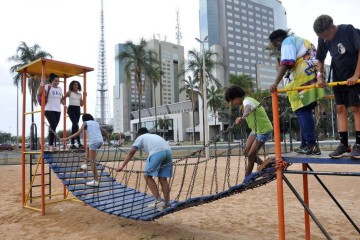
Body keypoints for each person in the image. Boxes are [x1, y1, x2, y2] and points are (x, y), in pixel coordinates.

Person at [268, 29, 325, 155]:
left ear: (278, 41)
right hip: (313, 75)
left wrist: (275, 83)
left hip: (302, 77)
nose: (277, 48)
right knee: (305, 110)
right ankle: (305, 144)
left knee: (302, 110)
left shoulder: (287, 42)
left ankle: (312, 145)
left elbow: (287, 63)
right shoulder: (300, 40)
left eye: (275, 45)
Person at [313, 15, 360, 159]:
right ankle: (344, 144)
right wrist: (319, 76)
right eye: (322, 37)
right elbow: (320, 59)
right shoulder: (322, 38)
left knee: (356, 107)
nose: (325, 40)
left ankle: (359, 144)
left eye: (326, 36)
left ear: (332, 28)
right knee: (340, 108)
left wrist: (356, 75)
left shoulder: (348, 30)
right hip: (338, 77)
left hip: (355, 75)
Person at [115, 127, 173, 211]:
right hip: (169, 152)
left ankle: (159, 200)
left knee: (147, 176)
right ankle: (167, 203)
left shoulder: (140, 137)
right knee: (163, 178)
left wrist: (122, 166)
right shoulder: (154, 136)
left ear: (139, 134)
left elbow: (131, 152)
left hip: (157, 152)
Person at [224, 85, 273, 181]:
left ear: (237, 97)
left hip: (264, 130)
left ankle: (247, 179)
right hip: (256, 130)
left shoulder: (247, 101)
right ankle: (266, 166)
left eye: (232, 101)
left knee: (251, 155)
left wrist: (242, 117)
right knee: (246, 152)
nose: (233, 103)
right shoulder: (246, 101)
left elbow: (248, 108)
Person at [61, 113, 110, 187]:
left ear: (84, 119)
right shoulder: (96, 123)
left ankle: (96, 181)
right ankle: (85, 164)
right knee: (87, 147)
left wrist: (66, 139)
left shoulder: (85, 123)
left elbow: (78, 133)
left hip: (93, 142)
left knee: (92, 162)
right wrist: (109, 142)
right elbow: (105, 132)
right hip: (100, 142)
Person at [38, 73, 65, 152]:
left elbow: (61, 99)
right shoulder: (47, 86)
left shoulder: (59, 89)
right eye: (55, 81)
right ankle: (50, 145)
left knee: (54, 126)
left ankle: (51, 144)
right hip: (48, 109)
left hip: (58, 110)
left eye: (58, 81)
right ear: (51, 80)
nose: (57, 82)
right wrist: (42, 83)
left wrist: (64, 104)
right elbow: (39, 93)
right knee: (52, 125)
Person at [62, 80, 84, 149]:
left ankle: (72, 143)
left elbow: (82, 105)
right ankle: (79, 142)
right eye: (74, 85)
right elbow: (62, 99)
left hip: (78, 109)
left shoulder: (80, 94)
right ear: (72, 86)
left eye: (77, 85)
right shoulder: (69, 92)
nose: (76, 86)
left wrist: (84, 97)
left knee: (74, 126)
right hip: (71, 109)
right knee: (76, 124)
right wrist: (65, 106)